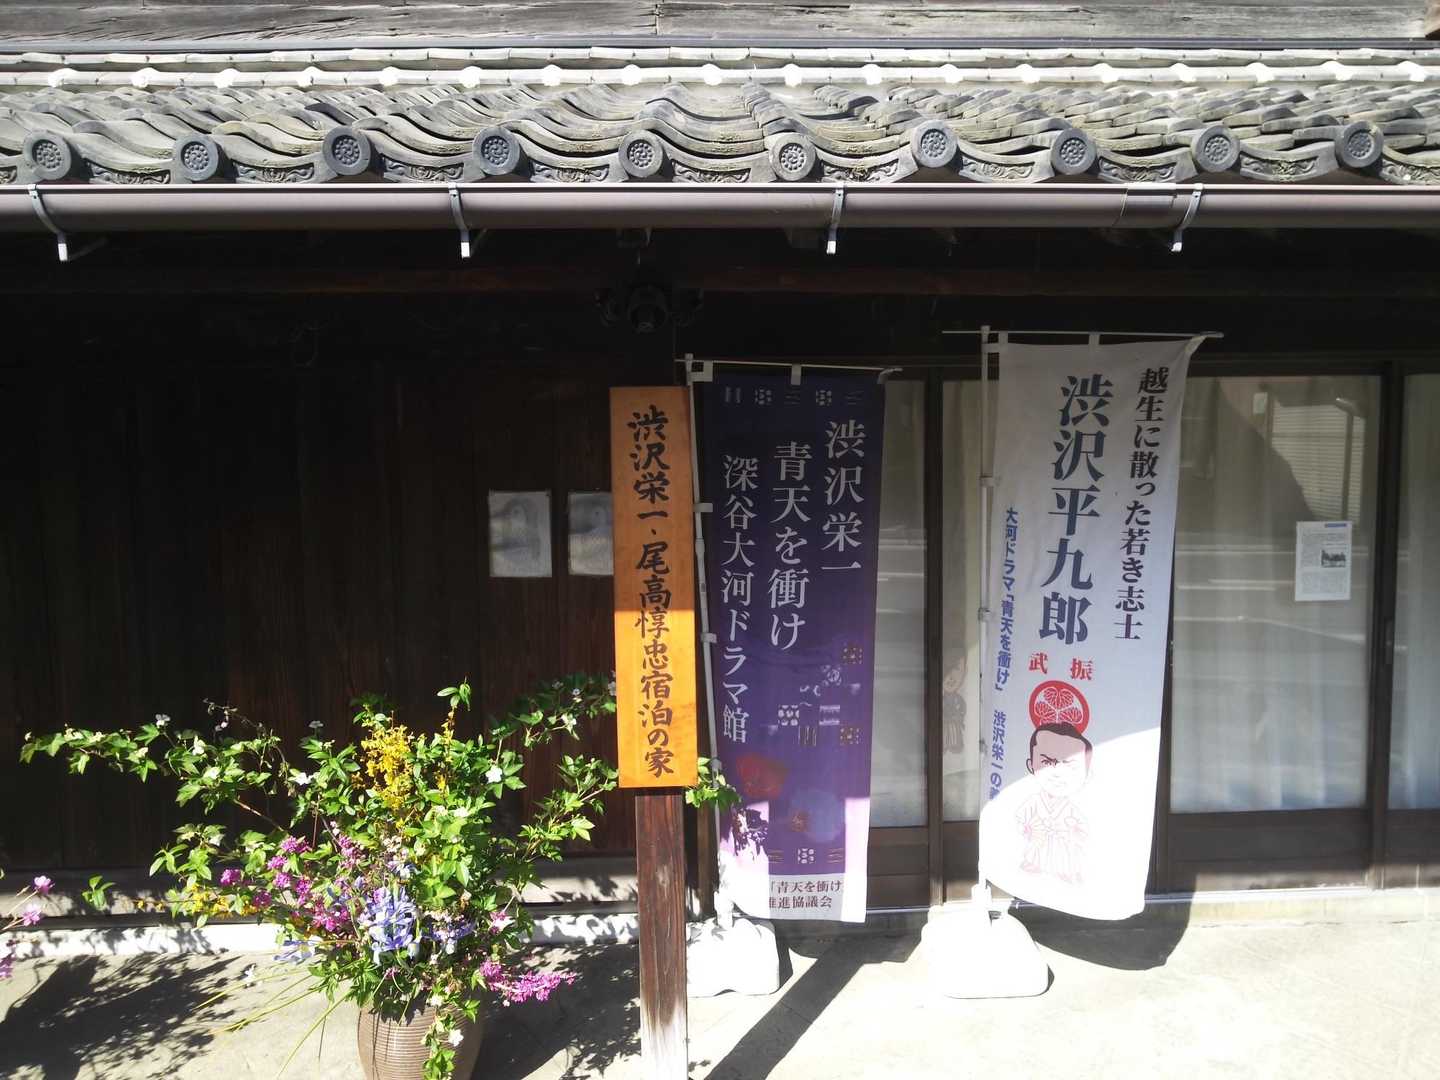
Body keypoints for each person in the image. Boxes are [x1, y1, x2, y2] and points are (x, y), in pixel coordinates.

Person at [1016, 722, 1092, 885]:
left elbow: (1083, 831)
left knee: (1065, 858)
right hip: (1040, 839)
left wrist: (1073, 830)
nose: (1057, 772)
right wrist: (1027, 829)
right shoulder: (1034, 801)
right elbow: (1021, 818)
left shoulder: (1071, 809)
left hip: (1062, 842)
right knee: (1037, 853)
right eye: (1047, 762)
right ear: (1031, 765)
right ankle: (1034, 864)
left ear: (1086, 774)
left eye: (1069, 765)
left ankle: (1066, 872)